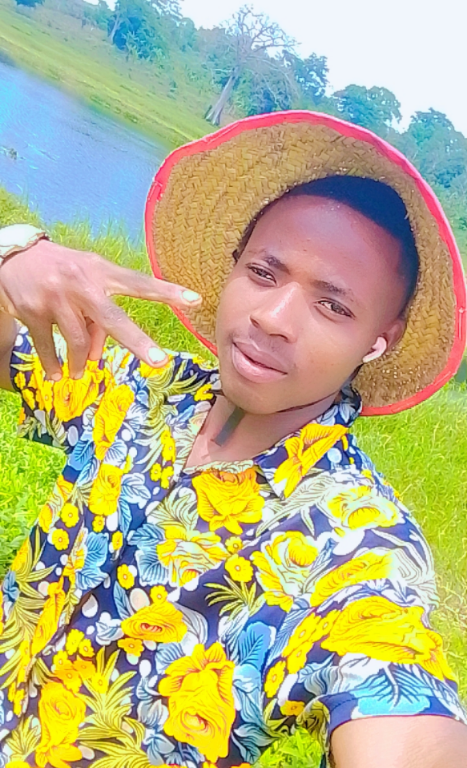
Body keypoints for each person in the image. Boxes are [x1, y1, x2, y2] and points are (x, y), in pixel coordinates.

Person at [0, 110, 466, 768]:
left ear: (376, 341)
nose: (272, 318)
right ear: (233, 266)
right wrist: (16, 255)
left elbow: (401, 701)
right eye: (264, 273)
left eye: (332, 305)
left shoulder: (354, 542)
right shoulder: (141, 388)